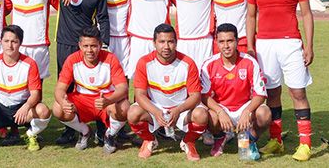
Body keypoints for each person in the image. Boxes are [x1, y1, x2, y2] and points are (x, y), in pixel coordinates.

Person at [246, 0, 314, 161]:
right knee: (272, 93)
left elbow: (306, 14)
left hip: (291, 43)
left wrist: (309, 45)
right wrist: (250, 45)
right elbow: (251, 15)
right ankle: (277, 140)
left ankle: (305, 144)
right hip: (264, 44)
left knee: (297, 92)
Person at [50, 0, 110, 145]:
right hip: (65, 44)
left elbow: (102, 18)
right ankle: (70, 129)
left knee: (94, 85)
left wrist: (105, 44)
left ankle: (102, 128)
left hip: (88, 46)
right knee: (66, 86)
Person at [128, 23, 208, 161]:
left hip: (181, 108)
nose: (166, 46)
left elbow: (196, 96)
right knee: (132, 113)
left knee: (201, 115)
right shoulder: (144, 62)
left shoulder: (188, 63)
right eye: (162, 42)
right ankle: (149, 140)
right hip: (156, 107)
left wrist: (178, 110)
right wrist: (156, 111)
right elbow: (139, 95)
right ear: (154, 43)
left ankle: (188, 142)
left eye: (170, 41)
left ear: (176, 43)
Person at [0, 25, 51, 152]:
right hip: (0, 109)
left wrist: (26, 107)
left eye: (14, 41)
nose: (9, 45)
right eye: (6, 41)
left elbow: (35, 94)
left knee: (43, 111)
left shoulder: (30, 63)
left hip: (21, 110)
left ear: (20, 43)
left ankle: (31, 135)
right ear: (1, 42)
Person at [53, 26, 130, 154]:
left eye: (93, 46)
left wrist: (108, 100)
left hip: (106, 99)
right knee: (58, 108)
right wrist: (63, 102)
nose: (89, 50)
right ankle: (85, 131)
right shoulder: (72, 59)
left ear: (100, 45)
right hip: (82, 100)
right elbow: (60, 88)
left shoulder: (110, 59)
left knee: (125, 107)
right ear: (80, 45)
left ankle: (109, 135)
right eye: (85, 46)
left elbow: (123, 88)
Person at [201, 23, 270, 159]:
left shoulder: (250, 62)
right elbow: (204, 95)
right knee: (209, 115)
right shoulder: (209, 64)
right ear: (217, 43)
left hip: (243, 107)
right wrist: (220, 112)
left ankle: (248, 140)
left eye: (230, 41)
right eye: (221, 41)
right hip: (222, 108)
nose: (226, 46)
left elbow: (260, 94)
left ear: (237, 41)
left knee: (265, 113)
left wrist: (247, 111)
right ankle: (220, 138)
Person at [8, 0, 59, 80]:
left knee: (37, 84)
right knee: (17, 83)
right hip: (17, 45)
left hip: (39, 45)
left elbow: (63, 9)